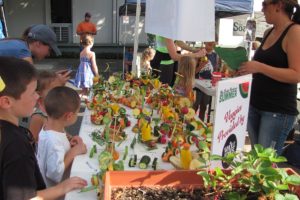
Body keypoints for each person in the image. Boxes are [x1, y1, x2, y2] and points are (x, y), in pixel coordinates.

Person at [0, 57, 87, 200]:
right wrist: (62, 187)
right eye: (33, 92)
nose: (37, 97)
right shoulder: (16, 145)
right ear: (7, 102)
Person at [238, 0, 300, 155]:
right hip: (256, 105)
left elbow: (296, 74)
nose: (262, 8)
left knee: (264, 164)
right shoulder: (268, 32)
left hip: (277, 111)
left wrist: (259, 67)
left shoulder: (295, 32)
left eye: (265, 4)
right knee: (256, 160)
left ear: (278, 5)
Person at [37, 86, 87, 187]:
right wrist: (73, 152)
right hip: (55, 192)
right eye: (77, 113)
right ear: (69, 116)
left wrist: (68, 145)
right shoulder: (54, 141)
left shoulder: (48, 128)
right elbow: (54, 174)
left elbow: (55, 153)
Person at [0, 24, 70, 84]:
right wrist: (55, 82)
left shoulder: (18, 44)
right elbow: (32, 84)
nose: (48, 54)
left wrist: (52, 77)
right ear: (38, 44)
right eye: (49, 50)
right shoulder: (23, 52)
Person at [28, 70, 63, 141]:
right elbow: (31, 142)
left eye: (61, 90)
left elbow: (61, 131)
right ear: (39, 94)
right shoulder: (38, 117)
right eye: (54, 91)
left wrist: (69, 137)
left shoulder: (56, 110)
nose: (60, 94)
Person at [194, 41, 220, 121]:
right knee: (195, 105)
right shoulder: (199, 54)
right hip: (197, 85)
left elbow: (214, 71)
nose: (211, 42)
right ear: (205, 41)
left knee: (204, 106)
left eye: (214, 41)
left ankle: (200, 124)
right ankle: (190, 124)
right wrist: (201, 66)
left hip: (208, 85)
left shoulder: (215, 56)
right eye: (209, 40)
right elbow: (193, 72)